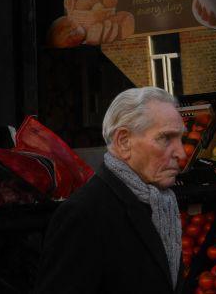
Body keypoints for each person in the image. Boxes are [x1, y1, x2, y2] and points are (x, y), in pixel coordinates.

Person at [35, 87, 187, 294]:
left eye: (181, 139)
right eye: (165, 138)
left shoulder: (163, 204)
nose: (181, 152)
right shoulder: (84, 214)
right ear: (124, 141)